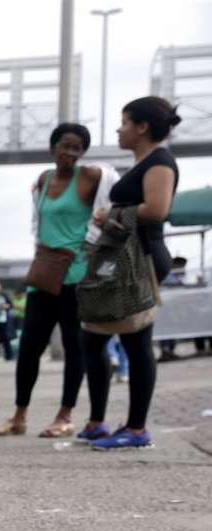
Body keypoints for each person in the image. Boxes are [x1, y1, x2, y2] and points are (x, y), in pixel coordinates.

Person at [0, 123, 109, 438]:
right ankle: (19, 416)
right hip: (43, 276)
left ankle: (65, 415)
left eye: (77, 148)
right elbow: (38, 223)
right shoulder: (43, 179)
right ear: (53, 147)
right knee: (29, 347)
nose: (70, 153)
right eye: (65, 145)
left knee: (75, 348)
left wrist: (95, 238)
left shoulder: (90, 177)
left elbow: (115, 193)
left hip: (76, 276)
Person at [81, 97, 181, 450]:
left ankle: (137, 429)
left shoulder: (160, 161)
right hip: (124, 259)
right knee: (94, 338)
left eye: (124, 122)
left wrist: (109, 215)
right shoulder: (143, 162)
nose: (118, 130)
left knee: (136, 341)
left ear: (142, 127)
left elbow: (157, 209)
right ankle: (97, 422)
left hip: (143, 259)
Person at [159, 256, 187, 361]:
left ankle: (169, 351)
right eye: (180, 265)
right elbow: (177, 286)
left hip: (171, 309)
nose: (182, 267)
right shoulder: (168, 276)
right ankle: (166, 351)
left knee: (171, 330)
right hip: (165, 309)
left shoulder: (176, 276)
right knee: (166, 330)